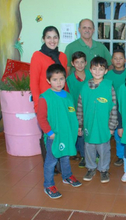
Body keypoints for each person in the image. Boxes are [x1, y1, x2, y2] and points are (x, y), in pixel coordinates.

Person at [37, 64, 82, 199]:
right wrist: (50, 133)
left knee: (65, 156)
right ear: (48, 80)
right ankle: (48, 184)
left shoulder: (68, 96)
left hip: (66, 134)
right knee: (51, 160)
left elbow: (71, 114)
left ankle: (67, 176)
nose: (59, 82)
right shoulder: (45, 97)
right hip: (54, 136)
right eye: (55, 79)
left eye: (61, 79)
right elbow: (41, 118)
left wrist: (77, 128)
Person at [30, 25, 68, 167]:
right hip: (45, 103)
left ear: (58, 39)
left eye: (55, 37)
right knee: (47, 134)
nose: (52, 40)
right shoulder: (37, 56)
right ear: (43, 39)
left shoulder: (62, 56)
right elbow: (33, 83)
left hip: (61, 102)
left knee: (60, 132)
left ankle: (60, 162)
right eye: (49, 37)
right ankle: (51, 164)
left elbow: (64, 80)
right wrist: (36, 105)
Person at [77, 57, 118, 183]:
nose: (97, 72)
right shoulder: (84, 88)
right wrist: (80, 125)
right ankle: (91, 168)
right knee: (89, 148)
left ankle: (104, 170)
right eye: (95, 69)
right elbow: (79, 107)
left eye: (101, 69)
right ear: (90, 70)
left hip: (103, 126)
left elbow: (114, 108)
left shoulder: (109, 87)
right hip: (89, 126)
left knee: (103, 149)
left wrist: (112, 126)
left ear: (106, 71)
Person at [66, 51, 92, 168]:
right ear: (72, 63)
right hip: (78, 111)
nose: (80, 65)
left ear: (86, 63)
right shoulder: (70, 80)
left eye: (82, 62)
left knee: (91, 131)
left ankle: (93, 154)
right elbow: (69, 96)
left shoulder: (91, 75)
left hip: (91, 109)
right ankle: (83, 155)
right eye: (77, 62)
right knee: (80, 133)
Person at [105, 49, 126, 167]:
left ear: (125, 60)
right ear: (111, 60)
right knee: (118, 133)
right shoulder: (108, 75)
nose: (118, 61)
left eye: (120, 58)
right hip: (113, 108)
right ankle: (120, 156)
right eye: (115, 58)